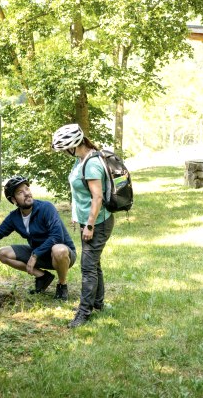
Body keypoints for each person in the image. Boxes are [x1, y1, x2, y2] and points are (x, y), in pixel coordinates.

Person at [0, 175, 77, 300]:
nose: (27, 193)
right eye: (20, 192)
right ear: (14, 200)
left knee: (58, 249)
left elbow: (57, 236)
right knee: (3, 253)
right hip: (41, 255)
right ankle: (43, 276)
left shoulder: (46, 208)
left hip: (63, 255)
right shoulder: (14, 217)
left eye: (27, 189)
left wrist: (35, 255)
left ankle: (62, 285)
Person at [52, 123, 115, 328]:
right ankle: (98, 304)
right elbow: (79, 192)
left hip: (98, 222)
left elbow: (97, 197)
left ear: (73, 145)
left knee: (88, 268)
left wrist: (89, 225)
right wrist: (75, 214)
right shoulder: (81, 160)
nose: (63, 153)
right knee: (94, 264)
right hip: (87, 221)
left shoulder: (92, 163)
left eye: (64, 149)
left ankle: (84, 313)